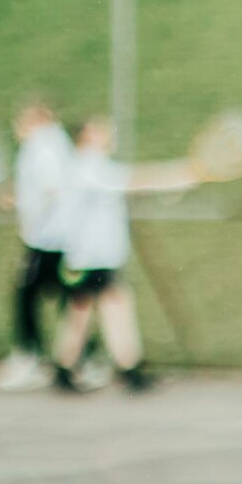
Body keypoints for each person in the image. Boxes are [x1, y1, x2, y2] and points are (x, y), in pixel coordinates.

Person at [48, 115, 195, 394]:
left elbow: (128, 180)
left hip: (96, 260)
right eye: (100, 129)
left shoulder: (94, 166)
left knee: (106, 309)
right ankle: (83, 371)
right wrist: (180, 174)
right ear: (85, 136)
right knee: (85, 313)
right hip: (85, 260)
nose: (108, 132)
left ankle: (124, 370)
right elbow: (134, 180)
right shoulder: (86, 167)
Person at [0, 97, 73, 391]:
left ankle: (30, 357)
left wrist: (23, 206)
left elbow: (51, 190)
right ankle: (79, 356)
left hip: (46, 241)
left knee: (26, 296)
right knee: (65, 298)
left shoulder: (41, 146)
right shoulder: (55, 144)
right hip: (58, 239)